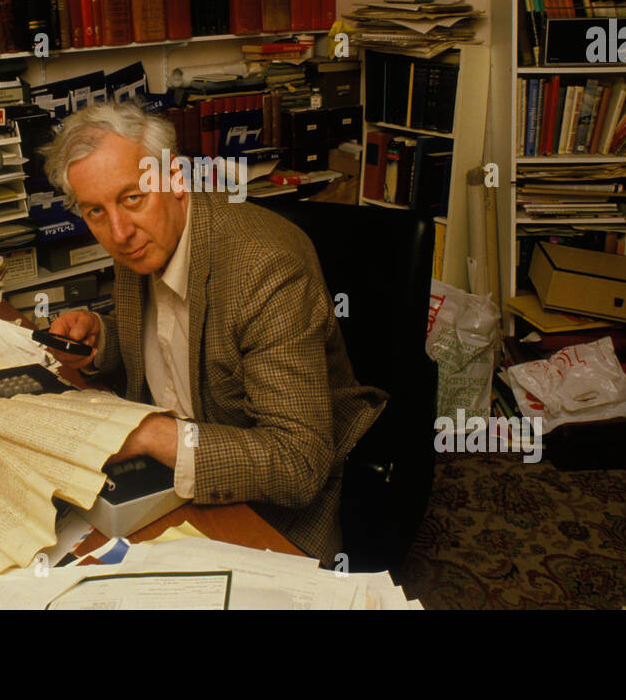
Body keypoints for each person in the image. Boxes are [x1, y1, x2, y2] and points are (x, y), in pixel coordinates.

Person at [41, 102, 386, 563]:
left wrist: (148, 436)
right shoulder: (141, 238)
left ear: (177, 180)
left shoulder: (264, 269)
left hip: (270, 505)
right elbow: (171, 344)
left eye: (132, 198)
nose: (118, 232)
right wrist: (99, 339)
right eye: (95, 212)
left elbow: (298, 464)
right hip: (172, 479)